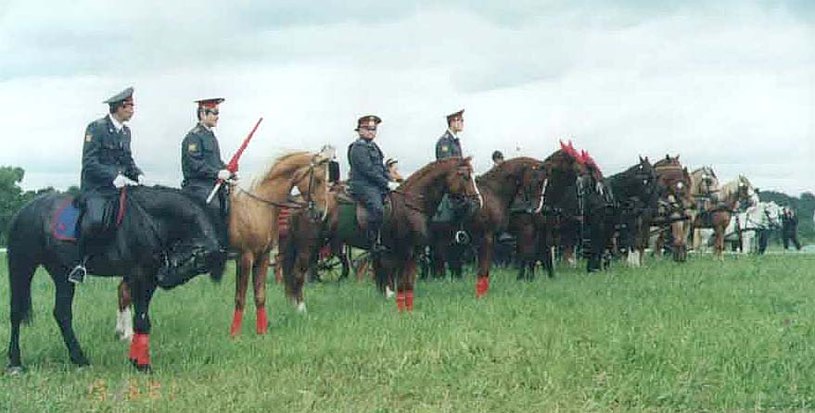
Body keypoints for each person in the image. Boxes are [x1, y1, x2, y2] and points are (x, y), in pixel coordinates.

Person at [68, 87, 144, 284]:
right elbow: (90, 162)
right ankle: (81, 263)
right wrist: (113, 176)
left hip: (118, 188)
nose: (132, 110)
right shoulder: (97, 128)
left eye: (132, 106)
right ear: (118, 107)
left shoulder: (126, 132)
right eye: (129, 106)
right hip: (97, 189)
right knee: (95, 220)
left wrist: (138, 175)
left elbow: (127, 159)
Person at [180, 97, 234, 247]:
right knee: (214, 207)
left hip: (213, 184)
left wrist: (229, 170)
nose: (217, 116)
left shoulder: (210, 135)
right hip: (198, 185)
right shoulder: (193, 137)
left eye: (218, 112)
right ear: (203, 114)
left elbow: (215, 162)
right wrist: (217, 174)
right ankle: (211, 244)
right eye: (214, 112)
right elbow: (195, 164)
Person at [348, 115, 390, 252]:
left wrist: (390, 180)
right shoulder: (358, 147)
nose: (371, 131)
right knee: (377, 208)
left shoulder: (374, 147)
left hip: (376, 184)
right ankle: (373, 241)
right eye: (367, 129)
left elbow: (380, 167)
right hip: (362, 185)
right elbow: (368, 170)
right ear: (359, 130)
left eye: (373, 129)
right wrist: (385, 183)